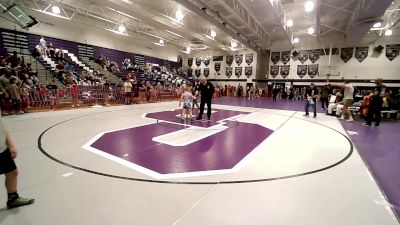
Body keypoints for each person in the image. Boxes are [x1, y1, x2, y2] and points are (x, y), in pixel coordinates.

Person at [0, 114, 35, 208]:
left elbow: (1, 126)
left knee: (12, 172)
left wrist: (10, 145)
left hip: (2, 148)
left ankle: (13, 198)